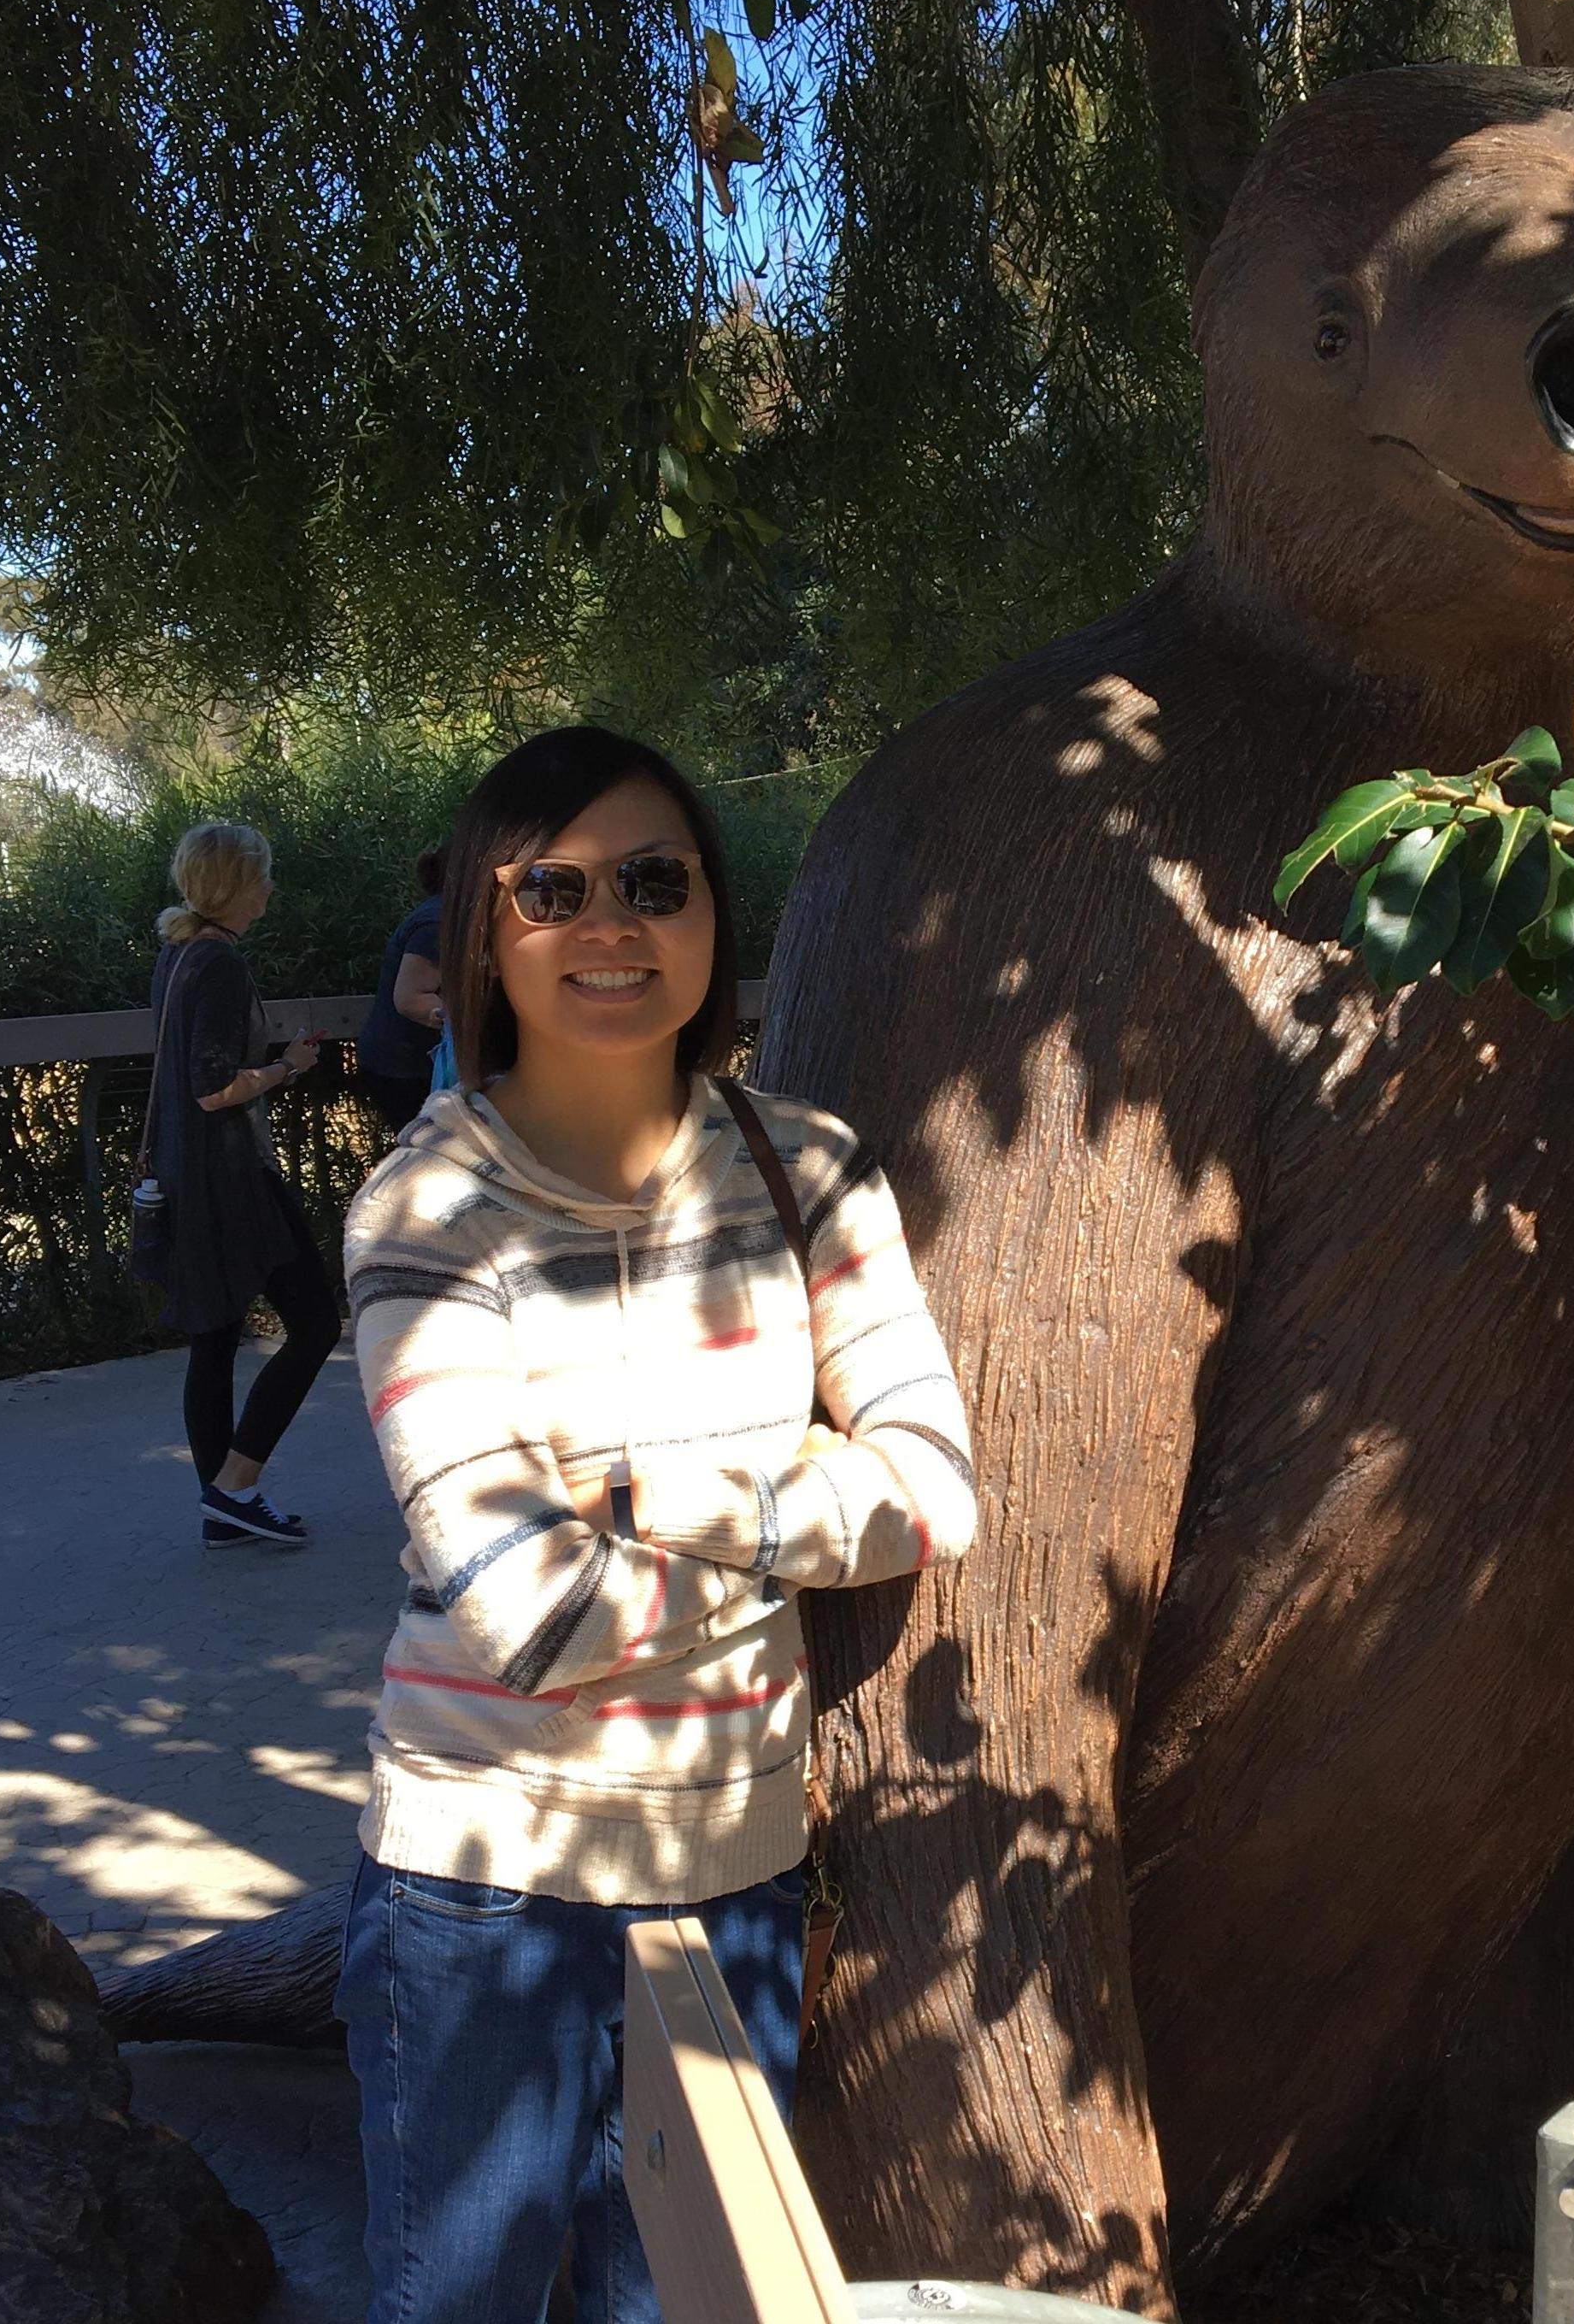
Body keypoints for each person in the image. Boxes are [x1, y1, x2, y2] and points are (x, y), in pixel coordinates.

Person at [340, 725, 976, 2324]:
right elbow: (534, 1618)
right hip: (484, 1873)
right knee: (462, 2304)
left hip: (732, 1863)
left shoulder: (806, 1167)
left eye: (651, 879)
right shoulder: (427, 1207)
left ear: (709, 911)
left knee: (683, 2305)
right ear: (484, 934)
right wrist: (802, 1501)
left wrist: (652, 1497)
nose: (609, 923)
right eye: (550, 890)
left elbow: (933, 1491)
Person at [150, 821, 343, 1551]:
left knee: (214, 1337)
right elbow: (213, 1088)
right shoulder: (221, 963)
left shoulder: (177, 954)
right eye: (261, 875)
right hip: (232, 1180)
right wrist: (288, 1066)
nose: (269, 889)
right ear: (236, 885)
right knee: (316, 1324)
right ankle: (235, 1486)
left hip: (187, 1174)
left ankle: (223, 1509)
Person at [356, 844, 448, 1135]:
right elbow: (410, 999)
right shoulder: (439, 921)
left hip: (405, 1065)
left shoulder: (442, 913)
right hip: (406, 1070)